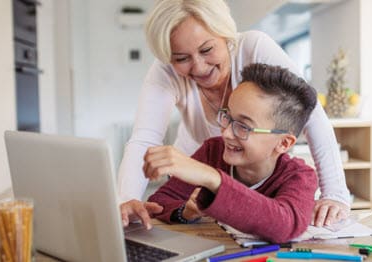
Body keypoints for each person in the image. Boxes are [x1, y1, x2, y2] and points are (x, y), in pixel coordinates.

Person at [118, 0, 350, 228]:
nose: (198, 67)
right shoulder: (165, 74)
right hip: (195, 167)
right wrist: (128, 199)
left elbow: (311, 114)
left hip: (246, 172)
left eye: (207, 49)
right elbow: (144, 138)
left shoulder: (254, 46)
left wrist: (336, 194)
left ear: (226, 35)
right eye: (181, 58)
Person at [146, 63, 318, 243]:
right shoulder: (213, 151)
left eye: (243, 126)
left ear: (283, 143)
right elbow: (159, 202)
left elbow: (285, 225)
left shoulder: (300, 176)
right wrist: (185, 212)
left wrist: (212, 178)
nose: (226, 133)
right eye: (228, 117)